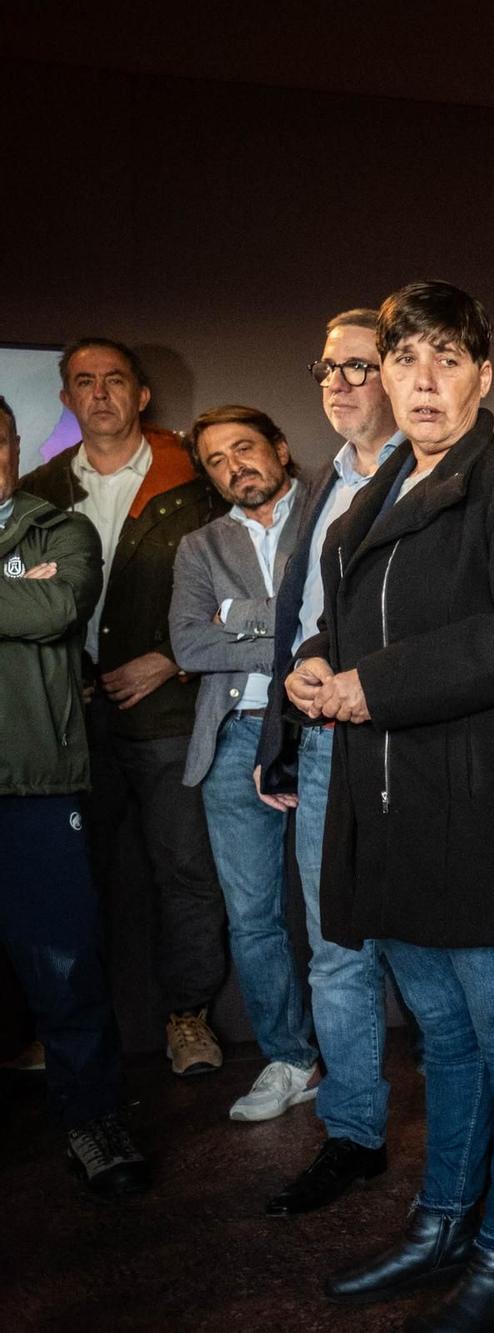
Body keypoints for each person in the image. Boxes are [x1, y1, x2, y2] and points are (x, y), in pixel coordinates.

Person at [290, 282, 494, 1329]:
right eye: (405, 359)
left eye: (446, 358)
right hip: (399, 817)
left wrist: (373, 686)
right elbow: (347, 620)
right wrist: (310, 662)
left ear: (482, 375)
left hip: (491, 820)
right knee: (445, 1036)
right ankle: (443, 1225)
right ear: (382, 376)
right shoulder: (376, 494)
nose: (423, 379)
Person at [17, 338, 230, 1075]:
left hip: (169, 715)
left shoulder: (196, 479)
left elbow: (246, 586)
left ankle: (188, 1017)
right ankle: (69, 1029)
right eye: (84, 381)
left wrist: (172, 659)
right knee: (77, 879)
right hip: (71, 720)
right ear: (66, 398)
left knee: (184, 871)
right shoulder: (38, 490)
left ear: (142, 395)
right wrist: (67, 670)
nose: (100, 393)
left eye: (115, 380)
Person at [252, 308, 406, 1217]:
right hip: (319, 746)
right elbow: (295, 627)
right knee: (337, 953)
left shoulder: (430, 475)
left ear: (397, 375)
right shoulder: (316, 487)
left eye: (358, 365)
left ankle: (472, 1138)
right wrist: (281, 744)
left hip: (402, 742)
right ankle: (353, 1134)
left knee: (427, 944)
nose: (340, 383)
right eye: (326, 368)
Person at [0, 393, 148, 1197]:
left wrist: (33, 597)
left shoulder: (58, 529)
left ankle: (93, 1122)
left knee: (66, 966)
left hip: (36, 780)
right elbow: (24, 605)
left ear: (14, 445)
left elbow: (56, 606)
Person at [169, 405, 323, 1123]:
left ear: (280, 448)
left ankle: (362, 1056)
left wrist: (236, 615)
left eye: (245, 448)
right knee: (252, 918)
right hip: (233, 737)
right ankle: (290, 1058)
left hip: (321, 728)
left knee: (338, 907)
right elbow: (190, 649)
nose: (235, 467)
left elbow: (337, 623)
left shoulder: (329, 512)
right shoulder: (199, 546)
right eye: (217, 461)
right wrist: (280, 626)